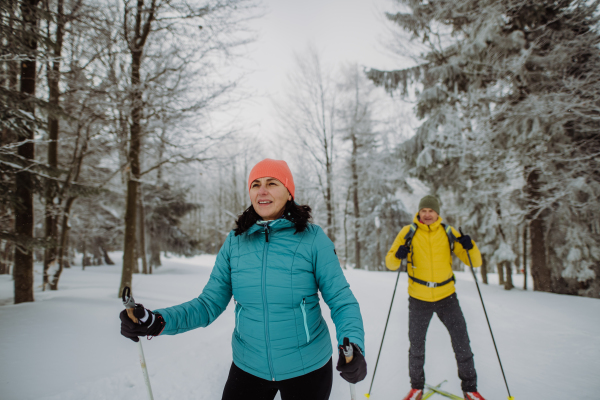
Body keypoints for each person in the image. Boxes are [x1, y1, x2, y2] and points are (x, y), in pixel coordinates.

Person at [120, 158, 367, 400]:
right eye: (255, 184)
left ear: (289, 192)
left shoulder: (312, 239)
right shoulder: (235, 242)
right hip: (249, 365)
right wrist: (157, 321)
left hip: (308, 366)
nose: (262, 191)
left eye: (272, 183)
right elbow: (208, 304)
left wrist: (353, 346)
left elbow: (341, 300)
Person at [385, 195, 486, 400]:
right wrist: (398, 255)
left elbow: (474, 262)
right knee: (417, 346)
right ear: (419, 213)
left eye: (431, 211)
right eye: (424, 211)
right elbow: (390, 263)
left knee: (462, 342)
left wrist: (470, 245)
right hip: (418, 298)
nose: (428, 214)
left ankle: (470, 389)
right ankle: (416, 388)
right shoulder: (408, 232)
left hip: (446, 296)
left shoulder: (448, 232)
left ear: (437, 213)